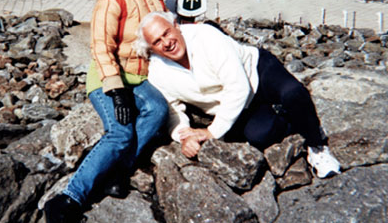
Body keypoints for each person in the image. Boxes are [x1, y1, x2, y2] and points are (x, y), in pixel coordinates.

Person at [43, 0, 169, 223]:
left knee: (159, 110)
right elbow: (100, 47)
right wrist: (116, 89)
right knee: (120, 134)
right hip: (106, 76)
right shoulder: (110, 0)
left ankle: (118, 170)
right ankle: (67, 199)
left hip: (139, 77)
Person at [134, 10, 341, 179]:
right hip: (238, 104)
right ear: (152, 49)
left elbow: (238, 86)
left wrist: (211, 132)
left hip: (257, 70)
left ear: (177, 27)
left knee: (293, 94)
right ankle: (294, 122)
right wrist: (184, 135)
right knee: (261, 136)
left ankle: (318, 147)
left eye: (167, 33)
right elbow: (173, 111)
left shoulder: (205, 35)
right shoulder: (158, 73)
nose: (167, 42)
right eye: (157, 41)